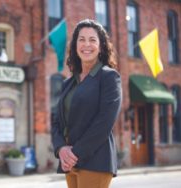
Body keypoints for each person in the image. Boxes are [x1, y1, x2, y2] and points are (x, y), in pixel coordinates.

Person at [51, 19, 122, 188]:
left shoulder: (109, 77)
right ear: (75, 45)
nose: (86, 45)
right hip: (69, 162)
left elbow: (104, 123)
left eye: (92, 40)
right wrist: (61, 149)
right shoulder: (68, 83)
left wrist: (74, 153)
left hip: (95, 161)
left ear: (101, 46)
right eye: (81, 39)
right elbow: (55, 121)